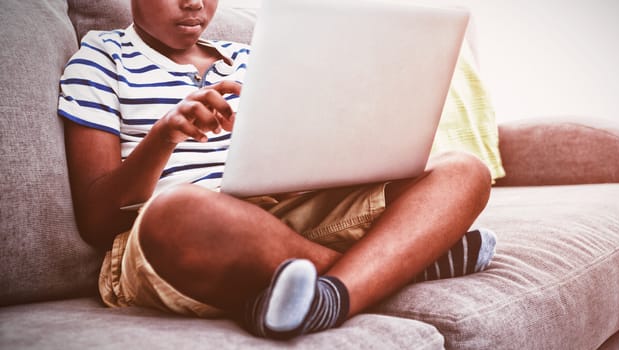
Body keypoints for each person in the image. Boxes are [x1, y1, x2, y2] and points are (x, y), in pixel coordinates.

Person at [58, 0, 496, 340]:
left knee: (463, 169)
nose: (193, 3)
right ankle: (397, 268)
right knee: (180, 208)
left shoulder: (250, 56)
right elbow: (98, 220)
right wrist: (164, 137)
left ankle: (326, 297)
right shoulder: (101, 59)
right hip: (172, 234)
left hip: (286, 211)